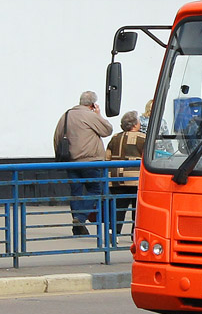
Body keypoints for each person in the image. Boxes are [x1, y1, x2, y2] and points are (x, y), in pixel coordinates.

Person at [53, 91, 113, 235]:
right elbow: (107, 130)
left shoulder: (66, 115)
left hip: (71, 162)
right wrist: (98, 115)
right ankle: (80, 218)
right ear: (92, 104)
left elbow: (57, 137)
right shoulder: (90, 116)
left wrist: (60, 158)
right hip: (91, 161)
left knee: (76, 192)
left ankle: (78, 227)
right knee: (96, 190)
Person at [106, 110, 145, 237]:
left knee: (119, 207)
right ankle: (135, 234)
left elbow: (107, 157)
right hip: (136, 178)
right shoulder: (143, 138)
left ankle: (114, 233)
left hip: (117, 178)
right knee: (137, 208)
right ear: (134, 125)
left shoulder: (115, 138)